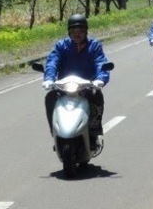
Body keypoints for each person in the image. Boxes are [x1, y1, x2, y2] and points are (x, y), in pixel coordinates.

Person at [42, 14, 110, 149]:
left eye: (81, 31)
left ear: (86, 31)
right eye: (74, 31)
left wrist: (100, 79)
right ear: (69, 32)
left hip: (87, 85)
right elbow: (52, 62)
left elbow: (100, 63)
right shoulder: (61, 46)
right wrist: (49, 79)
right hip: (64, 86)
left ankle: (94, 131)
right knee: (50, 97)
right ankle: (55, 131)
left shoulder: (94, 46)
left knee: (96, 96)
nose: (77, 34)